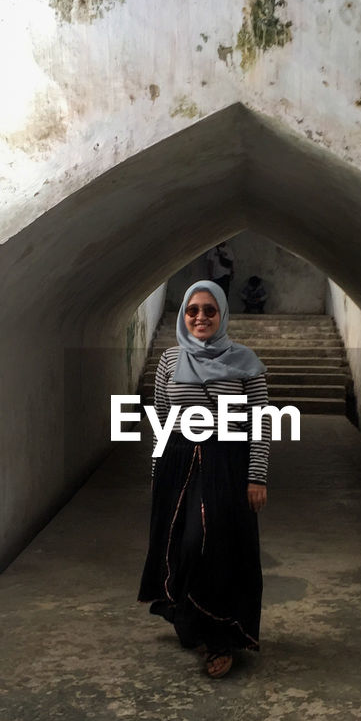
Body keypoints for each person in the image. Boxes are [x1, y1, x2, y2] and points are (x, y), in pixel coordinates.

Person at [138, 280, 270, 678]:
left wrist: (256, 477)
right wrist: (156, 471)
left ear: (222, 314)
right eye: (193, 310)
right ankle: (192, 619)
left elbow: (260, 423)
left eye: (209, 310)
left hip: (226, 462)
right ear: (183, 315)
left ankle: (221, 638)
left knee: (212, 545)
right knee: (179, 544)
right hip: (179, 461)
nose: (200, 317)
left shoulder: (245, 361)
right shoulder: (169, 360)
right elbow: (162, 420)